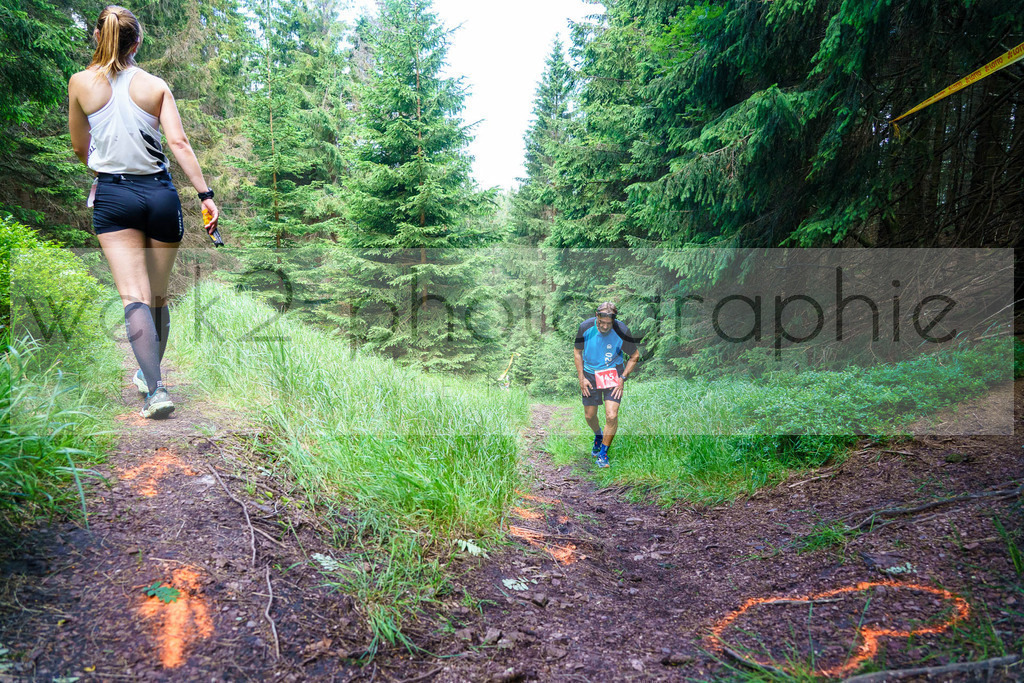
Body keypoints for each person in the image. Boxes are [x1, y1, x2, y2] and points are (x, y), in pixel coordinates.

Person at [68, 5, 219, 418]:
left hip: (114, 197)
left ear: (99, 38)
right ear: (137, 42)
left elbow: (81, 148)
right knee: (156, 295)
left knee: (132, 296)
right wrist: (206, 195)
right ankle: (149, 376)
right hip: (159, 195)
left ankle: (155, 390)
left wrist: (108, 167)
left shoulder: (80, 83)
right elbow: (180, 145)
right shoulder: (155, 86)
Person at [573, 302, 640, 468]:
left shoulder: (622, 331)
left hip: (613, 375)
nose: (604, 326)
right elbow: (577, 352)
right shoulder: (585, 327)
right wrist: (582, 378)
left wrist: (622, 378)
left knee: (611, 415)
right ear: (596, 315)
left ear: (614, 321)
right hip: (590, 374)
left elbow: (634, 355)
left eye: (608, 324)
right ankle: (598, 435)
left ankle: (603, 454)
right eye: (601, 322)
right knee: (589, 416)